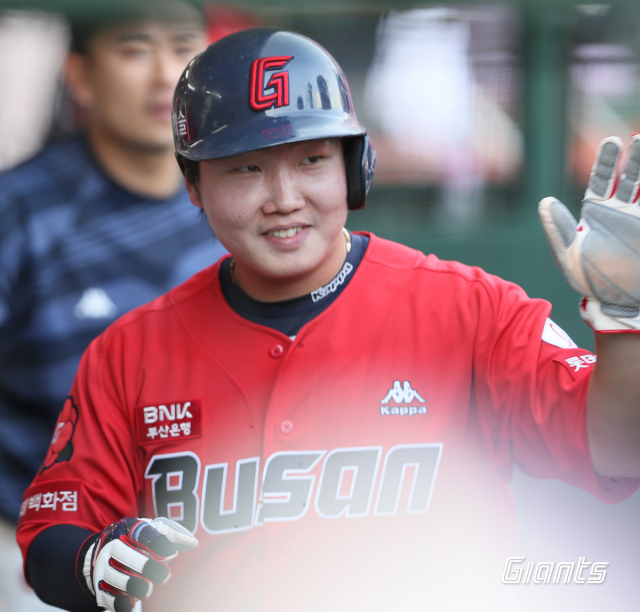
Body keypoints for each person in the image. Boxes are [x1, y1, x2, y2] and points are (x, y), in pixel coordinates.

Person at [15, 28, 640, 612]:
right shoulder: (130, 350)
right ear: (195, 186)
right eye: (246, 168)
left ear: (355, 167)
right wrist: (94, 561)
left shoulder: (471, 308)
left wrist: (625, 318)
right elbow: (52, 533)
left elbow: (616, 449)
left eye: (311, 160)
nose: (284, 199)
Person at [0, 2, 227, 609]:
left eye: (183, 47)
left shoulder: (244, 200)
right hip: (36, 544)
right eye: (134, 49)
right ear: (79, 74)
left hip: (210, 539)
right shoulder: (19, 210)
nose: (165, 74)